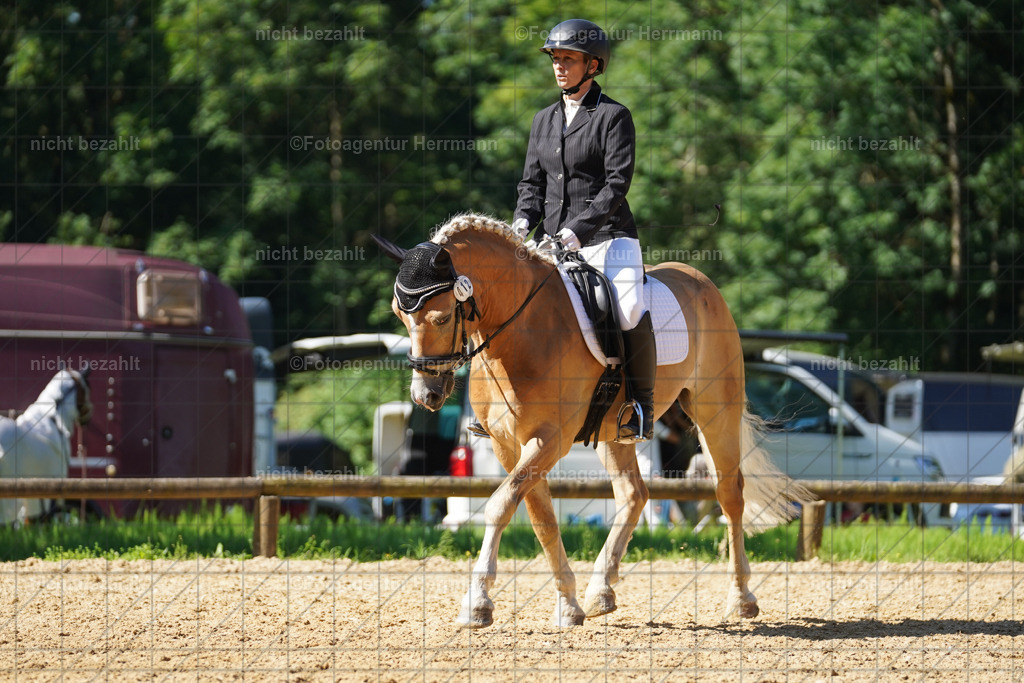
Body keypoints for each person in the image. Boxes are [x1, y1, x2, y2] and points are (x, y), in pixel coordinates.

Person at [512, 19, 655, 443]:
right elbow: (530, 185)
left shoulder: (613, 116)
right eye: (556, 59)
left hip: (609, 238)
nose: (559, 67)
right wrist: (521, 222)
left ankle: (640, 406)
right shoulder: (543, 120)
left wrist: (576, 230)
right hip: (554, 243)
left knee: (628, 308)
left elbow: (616, 184)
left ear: (593, 65)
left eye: (568, 59)